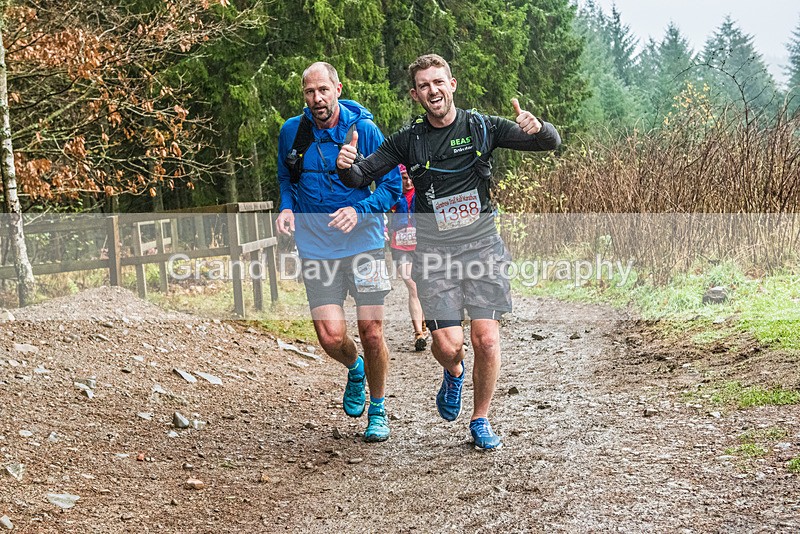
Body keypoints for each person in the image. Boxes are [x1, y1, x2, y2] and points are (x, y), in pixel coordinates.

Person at [336, 54, 561, 450]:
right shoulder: (408, 140)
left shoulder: (481, 126)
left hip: (482, 247)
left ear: (452, 84)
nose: (432, 90)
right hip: (435, 253)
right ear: (415, 93)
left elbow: (549, 144)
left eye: (438, 82)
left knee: (487, 339)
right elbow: (361, 175)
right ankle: (454, 372)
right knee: (447, 345)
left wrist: (539, 127)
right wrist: (345, 165)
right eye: (424, 85)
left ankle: (481, 419)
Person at [276, 62, 402, 442]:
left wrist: (359, 209)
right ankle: (355, 368)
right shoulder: (292, 132)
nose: (317, 99)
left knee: (372, 331)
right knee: (331, 337)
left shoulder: (364, 130)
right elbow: (285, 176)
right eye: (309, 92)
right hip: (316, 247)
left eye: (323, 90)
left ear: (338, 89)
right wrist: (285, 206)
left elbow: (392, 186)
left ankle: (378, 410)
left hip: (364, 241)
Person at [388, 164, 427, 352]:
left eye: (411, 177)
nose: (408, 182)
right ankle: (418, 333)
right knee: (412, 285)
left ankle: (425, 320)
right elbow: (380, 215)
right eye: (404, 177)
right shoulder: (392, 195)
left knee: (424, 285)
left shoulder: (424, 194)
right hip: (399, 247)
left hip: (422, 246)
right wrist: (383, 230)